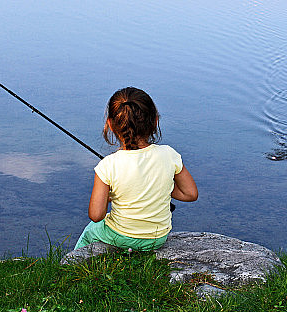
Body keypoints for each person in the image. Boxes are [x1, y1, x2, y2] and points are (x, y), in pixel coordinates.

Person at [74, 87, 197, 251]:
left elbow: (96, 215)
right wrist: (159, 185)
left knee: (91, 229)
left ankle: (74, 262)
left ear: (110, 124)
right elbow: (190, 194)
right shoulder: (169, 154)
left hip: (122, 237)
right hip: (158, 238)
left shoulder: (108, 165)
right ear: (155, 121)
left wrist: (110, 196)